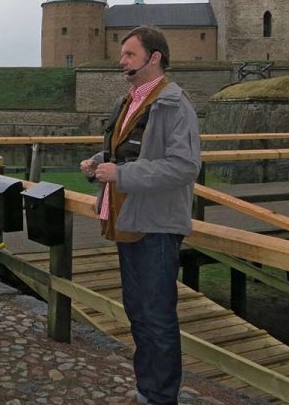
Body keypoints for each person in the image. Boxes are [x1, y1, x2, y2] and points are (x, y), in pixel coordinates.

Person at [80, 26, 200, 405]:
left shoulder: (175, 105)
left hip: (157, 225)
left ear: (154, 58)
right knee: (139, 313)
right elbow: (127, 156)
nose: (122, 62)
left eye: (130, 55)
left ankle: (161, 396)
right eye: (122, 56)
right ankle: (148, 389)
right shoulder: (128, 102)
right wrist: (99, 162)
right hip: (127, 218)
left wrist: (121, 174)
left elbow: (184, 167)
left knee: (157, 316)